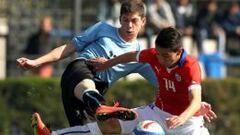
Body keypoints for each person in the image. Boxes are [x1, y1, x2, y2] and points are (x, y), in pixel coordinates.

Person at [32, 27, 217, 135]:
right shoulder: (154, 55)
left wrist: (181, 117)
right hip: (156, 112)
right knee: (108, 125)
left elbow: (195, 101)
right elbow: (130, 56)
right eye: (158, 54)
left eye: (166, 56)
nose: (160, 59)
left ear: (179, 52)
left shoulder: (191, 66)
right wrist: (108, 64)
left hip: (189, 125)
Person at [17, 0, 159, 127]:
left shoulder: (140, 56)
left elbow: (163, 83)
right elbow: (68, 48)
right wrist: (36, 62)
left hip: (95, 91)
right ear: (120, 19)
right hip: (79, 71)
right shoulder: (102, 28)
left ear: (143, 21)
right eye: (125, 19)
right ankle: (99, 106)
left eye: (134, 20)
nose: (129, 25)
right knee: (88, 85)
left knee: (85, 131)